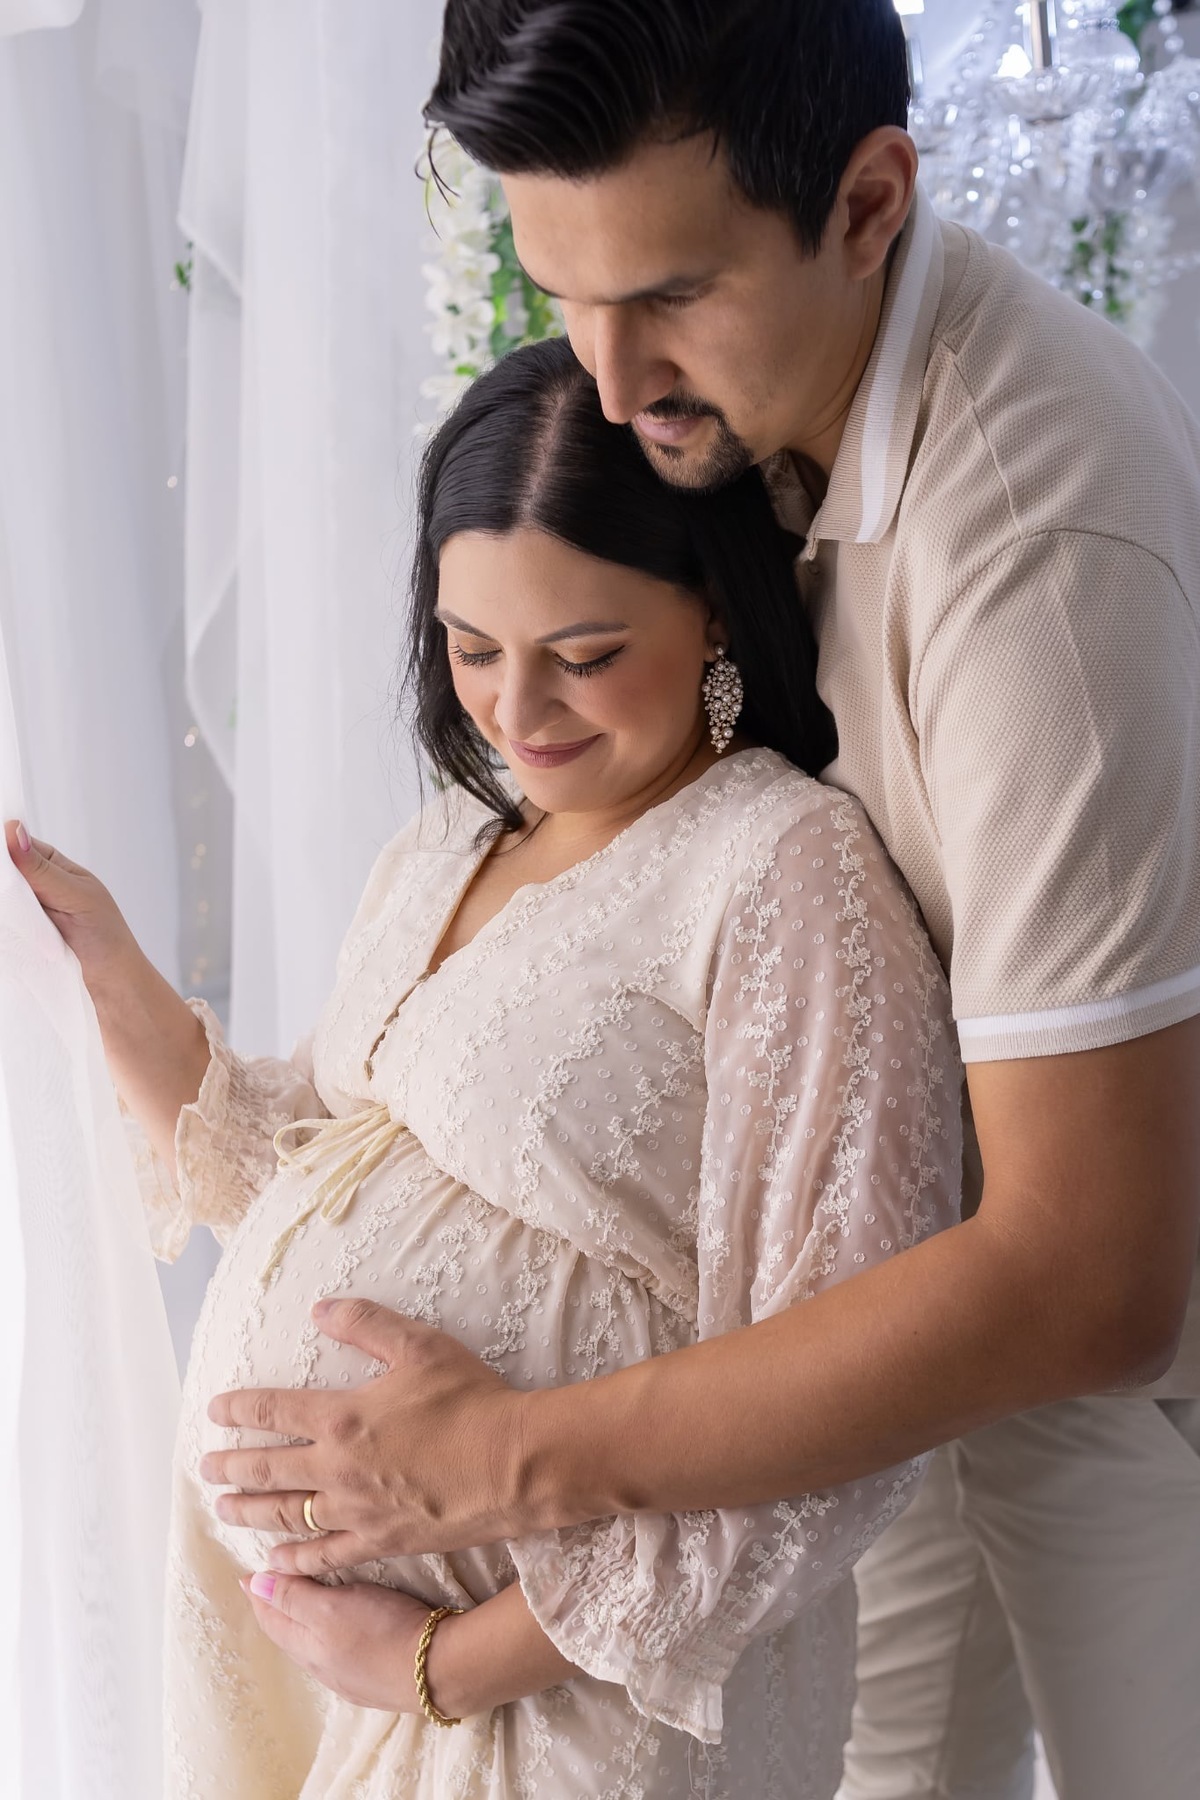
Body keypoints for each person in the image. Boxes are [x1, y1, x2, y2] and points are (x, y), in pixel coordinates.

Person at [192, 6, 1200, 1799]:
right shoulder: (743, 423)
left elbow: (1096, 1276)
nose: (606, 375)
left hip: (1119, 1390)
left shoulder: (1030, 543)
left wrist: (506, 1464)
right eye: (561, 293)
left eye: (667, 294)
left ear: (869, 205)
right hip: (883, 1378)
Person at [6, 338, 960, 1798]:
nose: (517, 713)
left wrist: (451, 1662)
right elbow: (306, 1173)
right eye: (470, 649)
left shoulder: (786, 872)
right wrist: (109, 977)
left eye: (584, 656)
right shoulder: (456, 839)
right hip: (363, 1690)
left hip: (599, 1709)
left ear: (713, 606)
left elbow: (841, 1411)